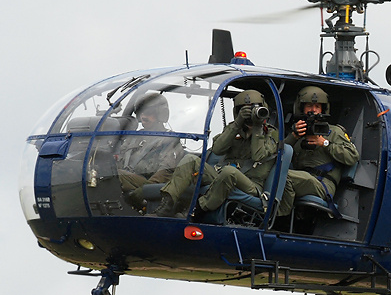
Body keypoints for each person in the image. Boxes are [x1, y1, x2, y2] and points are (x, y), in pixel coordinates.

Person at [151, 89, 279, 218]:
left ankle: (195, 210)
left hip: (251, 185)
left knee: (229, 171)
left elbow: (259, 156)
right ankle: (166, 205)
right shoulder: (234, 130)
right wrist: (237, 123)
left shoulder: (271, 134)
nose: (251, 113)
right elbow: (217, 149)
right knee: (190, 160)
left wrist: (257, 128)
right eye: (246, 110)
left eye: (255, 109)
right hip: (223, 177)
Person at [278, 85, 359, 218]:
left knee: (280, 175)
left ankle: (278, 216)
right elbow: (277, 155)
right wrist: (293, 136)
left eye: (317, 107)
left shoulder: (333, 132)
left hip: (322, 184)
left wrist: (325, 143)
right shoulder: (298, 133)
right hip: (302, 179)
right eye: (309, 106)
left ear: (323, 109)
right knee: (271, 170)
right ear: (302, 107)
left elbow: (352, 156)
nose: (313, 110)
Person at [116, 93, 184, 210]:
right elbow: (120, 157)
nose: (143, 116)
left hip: (148, 182)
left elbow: (165, 171)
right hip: (128, 178)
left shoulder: (169, 139)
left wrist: (144, 190)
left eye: (148, 113)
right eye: (141, 113)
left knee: (115, 175)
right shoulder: (134, 137)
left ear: (160, 114)